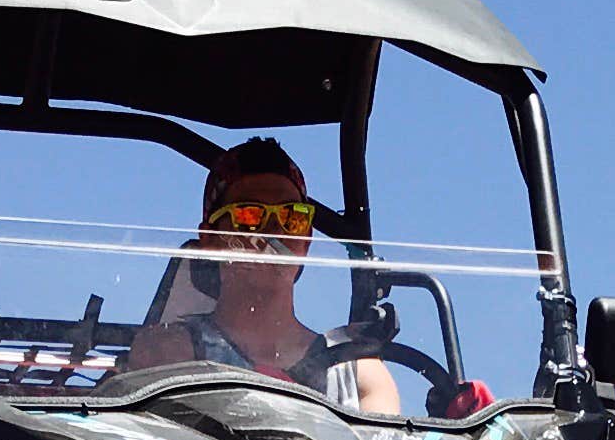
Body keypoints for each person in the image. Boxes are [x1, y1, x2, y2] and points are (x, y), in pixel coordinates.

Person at [119, 141, 402, 414]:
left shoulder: (358, 374)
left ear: (306, 239)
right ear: (210, 239)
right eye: (249, 216)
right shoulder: (170, 354)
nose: (272, 233)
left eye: (292, 218)